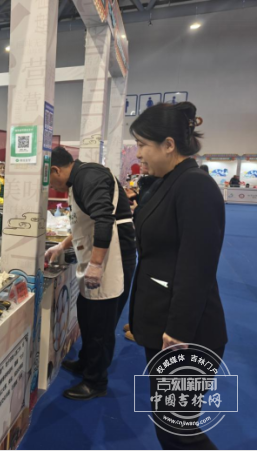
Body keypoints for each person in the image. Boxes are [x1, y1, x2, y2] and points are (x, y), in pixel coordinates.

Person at [130, 102, 227, 450]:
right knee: (169, 424)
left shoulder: (195, 186)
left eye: (142, 144)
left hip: (187, 335)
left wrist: (179, 331)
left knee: (177, 431)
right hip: (164, 327)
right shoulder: (168, 182)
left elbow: (196, 268)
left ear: (168, 145)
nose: (138, 153)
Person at [45, 147, 137, 401]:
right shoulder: (78, 180)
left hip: (111, 258)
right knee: (87, 314)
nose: (52, 187)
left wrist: (96, 264)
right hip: (96, 255)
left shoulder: (89, 177)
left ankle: (95, 381)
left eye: (50, 181)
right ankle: (86, 361)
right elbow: (83, 223)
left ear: (56, 170)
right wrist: (62, 245)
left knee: (101, 323)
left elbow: (103, 220)